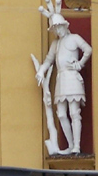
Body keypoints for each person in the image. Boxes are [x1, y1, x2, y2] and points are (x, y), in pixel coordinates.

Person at [33, 9, 92, 155]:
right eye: (55, 28)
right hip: (61, 79)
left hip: (72, 78)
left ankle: (77, 146)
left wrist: (80, 63)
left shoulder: (75, 38)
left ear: (65, 25)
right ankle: (71, 144)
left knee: (74, 113)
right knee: (61, 114)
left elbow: (88, 49)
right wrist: (41, 71)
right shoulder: (56, 44)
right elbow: (48, 60)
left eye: (59, 27)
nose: (57, 30)